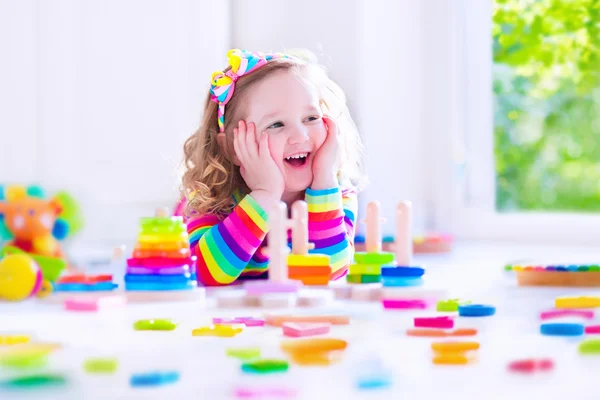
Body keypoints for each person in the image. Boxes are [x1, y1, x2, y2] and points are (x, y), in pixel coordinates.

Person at [180, 49, 366, 286]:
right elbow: (202, 273)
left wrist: (324, 183)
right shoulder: (209, 197)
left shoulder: (334, 192)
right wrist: (264, 195)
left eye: (311, 118)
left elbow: (331, 271)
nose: (300, 136)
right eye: (276, 124)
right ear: (231, 147)